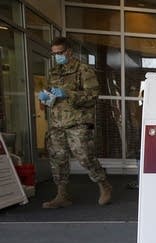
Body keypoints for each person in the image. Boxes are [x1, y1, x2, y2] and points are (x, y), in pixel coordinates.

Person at [38, 37, 112, 208]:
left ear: (69, 51)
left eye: (60, 53)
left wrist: (68, 94)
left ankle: (104, 185)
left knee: (85, 156)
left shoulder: (83, 69)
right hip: (57, 122)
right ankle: (62, 195)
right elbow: (52, 95)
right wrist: (45, 98)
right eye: (54, 53)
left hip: (77, 122)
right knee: (58, 159)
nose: (57, 56)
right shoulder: (54, 71)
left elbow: (92, 96)